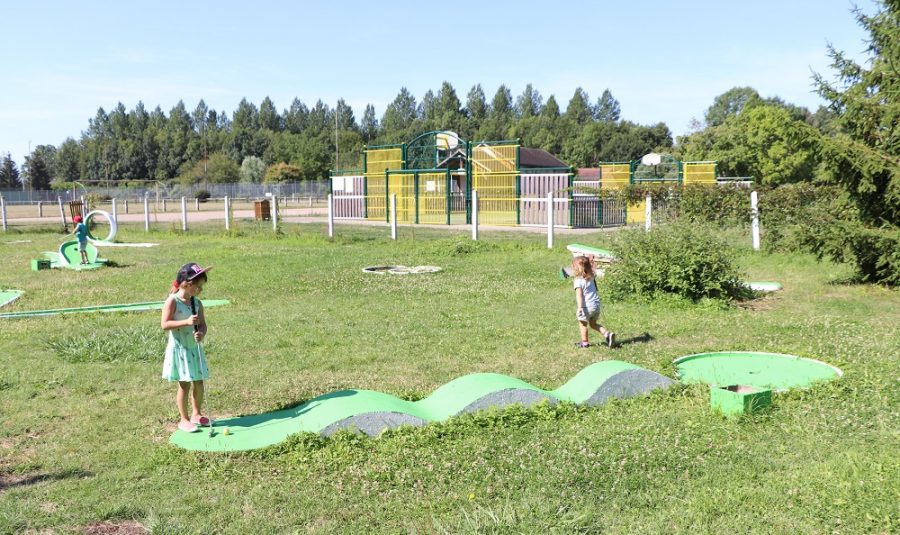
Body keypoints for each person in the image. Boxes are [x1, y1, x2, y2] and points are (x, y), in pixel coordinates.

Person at [161, 263, 213, 433]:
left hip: (194, 348)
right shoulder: (172, 301)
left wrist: (201, 334)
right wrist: (186, 322)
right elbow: (165, 324)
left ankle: (196, 414)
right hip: (180, 349)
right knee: (184, 384)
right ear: (186, 284)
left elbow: (203, 325)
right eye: (198, 287)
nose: (200, 290)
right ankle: (183, 419)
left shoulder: (197, 303)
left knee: (198, 382)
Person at [572, 255, 614, 348]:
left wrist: (579, 308)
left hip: (586, 307)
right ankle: (607, 334)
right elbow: (593, 270)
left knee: (583, 324)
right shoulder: (591, 277)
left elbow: (579, 295)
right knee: (593, 324)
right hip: (596, 305)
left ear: (578, 269)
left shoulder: (578, 281)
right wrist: (590, 262)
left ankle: (585, 343)